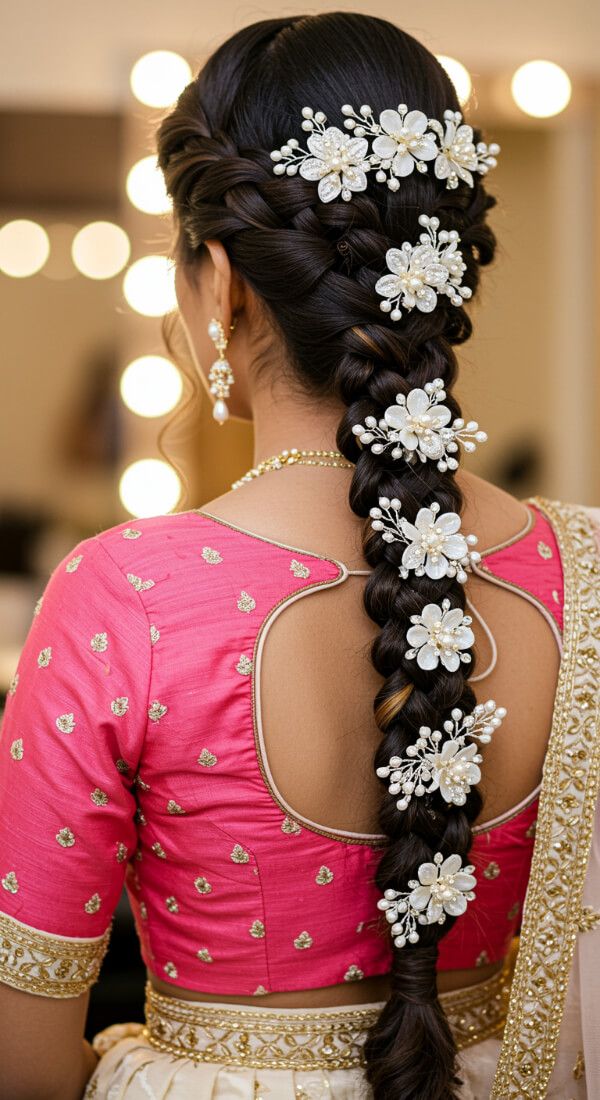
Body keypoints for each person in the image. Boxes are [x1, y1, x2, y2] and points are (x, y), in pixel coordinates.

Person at [1, 13, 599, 1100]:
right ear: (443, 272)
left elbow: (19, 1055)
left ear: (218, 281)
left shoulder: (124, 595)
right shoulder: (585, 573)